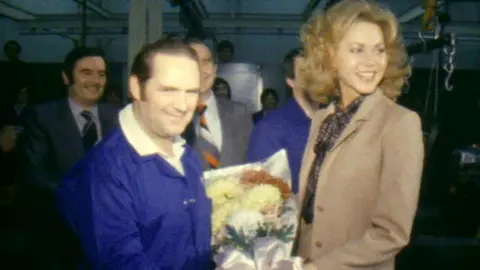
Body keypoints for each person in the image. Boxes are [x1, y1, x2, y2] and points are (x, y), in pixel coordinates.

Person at [57, 38, 212, 269]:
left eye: (191, 92)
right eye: (168, 90)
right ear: (136, 87)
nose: (182, 105)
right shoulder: (103, 172)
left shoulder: (186, 155)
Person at [295, 1, 424, 269]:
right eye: (357, 50)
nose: (371, 62)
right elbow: (310, 205)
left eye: (379, 50)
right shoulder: (324, 118)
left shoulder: (400, 123)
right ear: (329, 55)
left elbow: (392, 233)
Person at [22, 46, 119, 269]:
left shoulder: (115, 116)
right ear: (66, 77)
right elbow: (35, 174)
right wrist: (85, 197)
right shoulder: (43, 116)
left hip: (108, 231)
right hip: (59, 232)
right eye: (86, 72)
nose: (95, 80)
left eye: (101, 74)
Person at [247, 49, 316, 193]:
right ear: (290, 81)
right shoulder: (271, 128)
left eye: (318, 70)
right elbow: (262, 193)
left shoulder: (335, 121)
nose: (314, 78)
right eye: (305, 73)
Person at [184, 38, 252, 170]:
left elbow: (254, 163)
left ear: (215, 69)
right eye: (193, 62)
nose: (199, 69)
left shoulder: (240, 113)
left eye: (205, 62)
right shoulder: (171, 117)